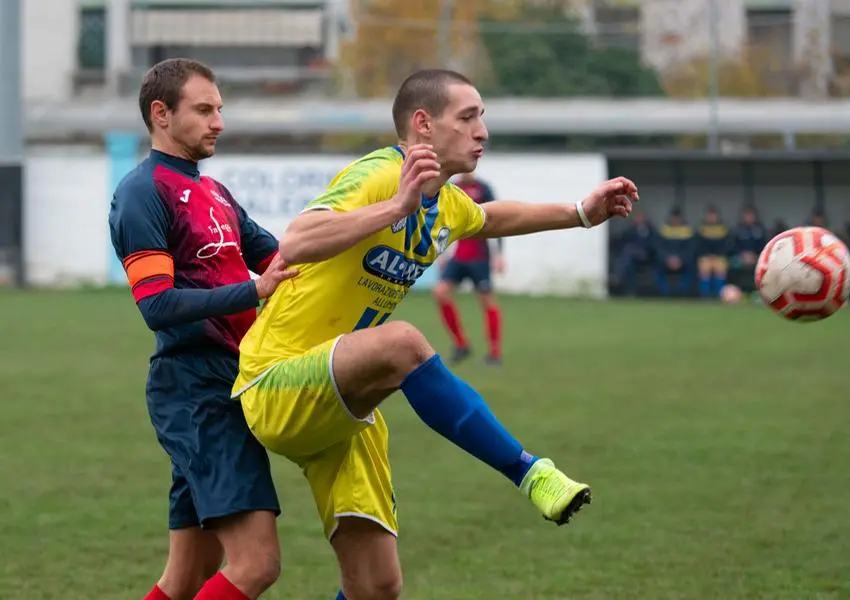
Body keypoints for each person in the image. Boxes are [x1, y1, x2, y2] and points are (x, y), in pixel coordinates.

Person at [230, 68, 638, 600]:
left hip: (344, 407)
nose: (482, 132)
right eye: (468, 118)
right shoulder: (383, 173)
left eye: (482, 118)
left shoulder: (447, 202)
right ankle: (530, 472)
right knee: (403, 343)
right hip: (275, 381)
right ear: (423, 125)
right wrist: (395, 206)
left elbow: (489, 218)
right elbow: (300, 239)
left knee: (376, 587)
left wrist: (580, 212)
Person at [108, 58, 295, 600]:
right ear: (160, 114)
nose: (218, 122)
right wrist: (254, 291)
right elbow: (157, 305)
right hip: (195, 391)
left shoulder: (215, 194)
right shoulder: (143, 192)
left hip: (232, 382)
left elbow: (286, 259)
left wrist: (373, 227)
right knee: (257, 563)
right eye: (204, 109)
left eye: (220, 110)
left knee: (187, 577)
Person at [432, 171, 504, 364]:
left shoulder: (483, 188)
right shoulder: (451, 188)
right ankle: (461, 345)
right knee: (440, 293)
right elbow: (442, 220)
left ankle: (494, 353)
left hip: (480, 256)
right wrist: (442, 251)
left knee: (487, 301)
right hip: (459, 256)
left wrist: (499, 255)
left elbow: (499, 219)